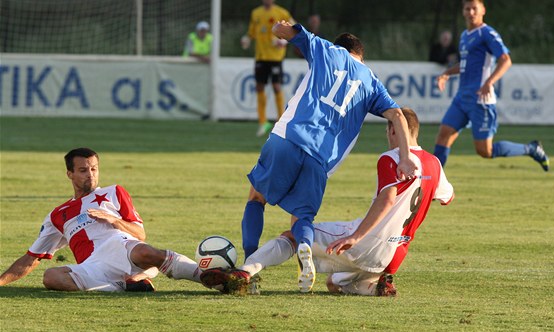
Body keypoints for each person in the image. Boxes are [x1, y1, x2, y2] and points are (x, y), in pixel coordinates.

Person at [238, 20, 418, 293]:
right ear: (361, 56)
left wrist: (281, 28)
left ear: (339, 48)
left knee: (256, 197)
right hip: (320, 160)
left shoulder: (325, 49)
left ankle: (248, 265)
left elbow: (283, 31)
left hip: (289, 138)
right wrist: (405, 157)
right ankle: (306, 248)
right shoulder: (371, 82)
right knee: (301, 220)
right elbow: (397, 115)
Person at [201, 108, 454, 296]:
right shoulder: (435, 164)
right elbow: (447, 197)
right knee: (334, 283)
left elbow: (387, 199)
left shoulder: (391, 158)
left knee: (291, 236)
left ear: (393, 130)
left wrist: (356, 236)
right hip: (392, 256)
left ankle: (245, 271)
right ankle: (377, 285)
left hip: (367, 242)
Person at [0, 148, 203, 292]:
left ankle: (209, 277)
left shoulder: (114, 192)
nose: (90, 175)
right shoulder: (57, 215)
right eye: (83, 170)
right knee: (51, 277)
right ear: (69, 174)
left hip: (120, 247)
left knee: (146, 251)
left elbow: (140, 234)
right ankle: (123, 285)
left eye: (94, 169)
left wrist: (114, 220)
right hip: (93, 266)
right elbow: (32, 258)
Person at [434, 0, 549, 171]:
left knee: (484, 151)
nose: (471, 12)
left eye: (475, 8)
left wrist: (489, 82)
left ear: (483, 10)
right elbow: (466, 64)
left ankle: (531, 149)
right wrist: (446, 73)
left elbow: (505, 60)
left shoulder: (487, 33)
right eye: (468, 9)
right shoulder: (465, 36)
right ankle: (433, 184)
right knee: (443, 136)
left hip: (480, 99)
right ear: (463, 12)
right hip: (462, 97)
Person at [241, 0, 295, 137]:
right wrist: (247, 39)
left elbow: (295, 28)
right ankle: (262, 122)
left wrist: (283, 41)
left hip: (275, 57)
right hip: (261, 56)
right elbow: (252, 32)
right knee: (260, 87)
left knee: (276, 86)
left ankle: (280, 121)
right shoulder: (256, 13)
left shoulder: (282, 12)